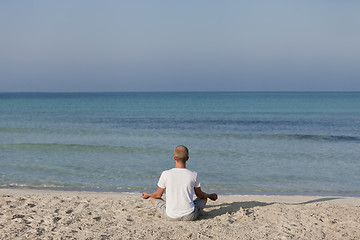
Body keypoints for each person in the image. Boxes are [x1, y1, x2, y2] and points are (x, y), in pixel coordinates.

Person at [142, 145, 218, 221]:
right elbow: (200, 195)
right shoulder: (194, 174)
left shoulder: (166, 174)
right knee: (203, 198)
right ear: (187, 158)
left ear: (174, 158)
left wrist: (148, 195)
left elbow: (158, 195)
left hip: (171, 216)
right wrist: (210, 195)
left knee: (152, 198)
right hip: (190, 216)